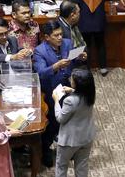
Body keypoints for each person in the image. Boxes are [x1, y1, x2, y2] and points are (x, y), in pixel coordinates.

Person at [33, 20, 87, 167]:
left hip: (65, 85)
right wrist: (55, 66)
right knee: (52, 121)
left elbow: (73, 61)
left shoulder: (68, 43)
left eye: (61, 34)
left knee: (70, 118)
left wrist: (79, 58)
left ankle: (68, 147)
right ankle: (46, 150)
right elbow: (40, 73)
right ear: (46, 37)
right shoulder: (39, 51)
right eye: (56, 35)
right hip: (49, 88)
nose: (59, 38)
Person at [49, 68, 97, 177]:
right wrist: (73, 90)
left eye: (72, 80)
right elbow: (79, 100)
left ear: (78, 84)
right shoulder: (90, 94)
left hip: (69, 140)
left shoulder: (70, 101)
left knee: (61, 167)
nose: (70, 80)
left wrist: (57, 101)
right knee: (82, 168)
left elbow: (60, 118)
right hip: (86, 137)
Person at [73, 0, 114, 76]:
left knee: (86, 45)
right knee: (101, 44)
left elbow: (74, 3)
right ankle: (103, 67)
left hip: (84, 22)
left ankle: (86, 67)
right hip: (99, 22)